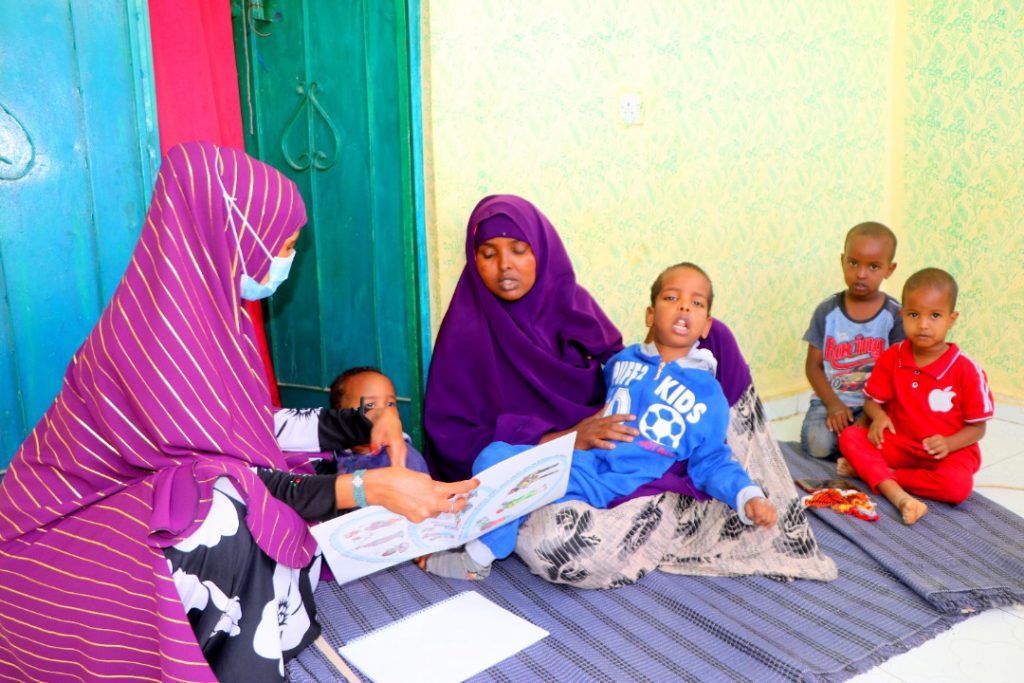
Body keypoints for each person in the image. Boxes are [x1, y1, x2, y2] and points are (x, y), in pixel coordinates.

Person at [0, 142, 476, 683]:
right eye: (286, 247)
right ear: (232, 240)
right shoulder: (161, 344)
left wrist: (366, 423)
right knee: (227, 515)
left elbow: (255, 427)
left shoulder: (208, 317)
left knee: (270, 493)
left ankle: (243, 643)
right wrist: (371, 489)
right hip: (56, 545)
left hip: (140, 511)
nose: (287, 264)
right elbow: (238, 477)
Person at [423, 263, 778, 580]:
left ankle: (480, 556)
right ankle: (475, 523)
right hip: (586, 459)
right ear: (650, 315)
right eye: (672, 297)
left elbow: (713, 459)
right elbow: (579, 390)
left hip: (618, 482)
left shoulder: (709, 395)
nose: (685, 306)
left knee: (524, 479)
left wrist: (747, 495)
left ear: (706, 325)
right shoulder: (623, 361)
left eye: (697, 302)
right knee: (493, 455)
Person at [837, 268, 993, 525]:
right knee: (851, 436)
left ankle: (883, 476)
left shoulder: (967, 370)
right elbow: (872, 402)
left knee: (957, 487)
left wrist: (949, 444)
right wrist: (877, 416)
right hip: (901, 443)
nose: (923, 324)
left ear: (951, 319)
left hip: (945, 452)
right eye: (913, 314)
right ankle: (893, 486)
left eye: (935, 315)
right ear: (902, 315)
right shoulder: (892, 356)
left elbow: (977, 428)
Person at [801, 222, 903, 458]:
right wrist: (834, 404)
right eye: (853, 263)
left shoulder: (895, 316)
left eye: (874, 266)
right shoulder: (826, 311)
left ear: (890, 269)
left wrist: (871, 416)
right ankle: (853, 449)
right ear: (842, 260)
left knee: (893, 442)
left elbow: (900, 374)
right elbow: (813, 366)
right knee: (817, 444)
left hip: (877, 406)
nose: (861, 274)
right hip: (831, 401)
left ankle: (854, 448)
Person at [273, 366, 431, 474]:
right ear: (339, 413)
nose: (384, 412)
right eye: (370, 405)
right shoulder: (326, 451)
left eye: (390, 403)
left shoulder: (405, 457)